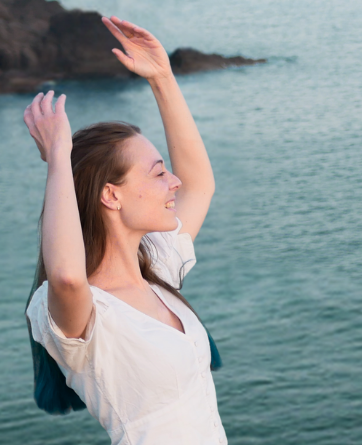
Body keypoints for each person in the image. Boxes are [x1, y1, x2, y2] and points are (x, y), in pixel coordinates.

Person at [21, 16, 225, 444]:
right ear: (111, 196)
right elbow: (67, 274)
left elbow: (201, 185)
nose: (174, 182)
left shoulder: (156, 272)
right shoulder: (86, 312)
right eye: (157, 174)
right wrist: (60, 156)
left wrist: (163, 78)